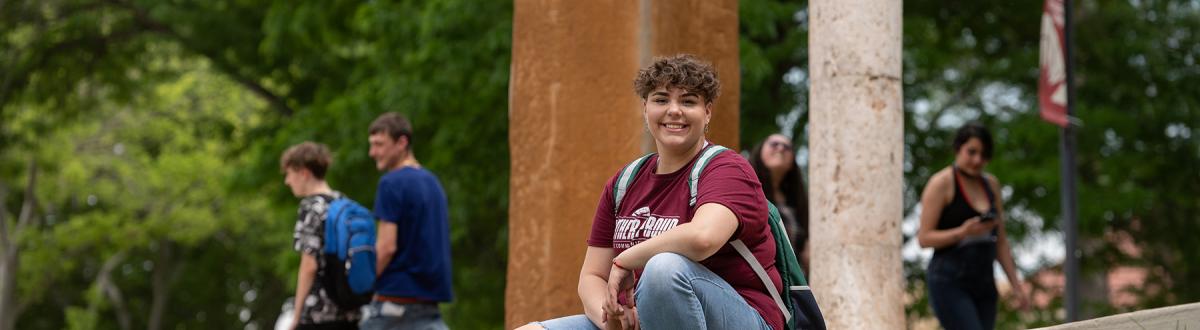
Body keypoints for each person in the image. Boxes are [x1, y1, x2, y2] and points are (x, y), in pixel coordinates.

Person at [520, 54, 783, 330]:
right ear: (645, 108)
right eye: (661, 100)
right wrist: (612, 316)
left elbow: (703, 237)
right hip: (647, 321)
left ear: (707, 112)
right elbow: (592, 275)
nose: (674, 110)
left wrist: (626, 261)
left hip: (743, 318)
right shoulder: (625, 182)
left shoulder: (727, 169)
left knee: (663, 270)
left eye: (688, 101)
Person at [917, 122, 1031, 330]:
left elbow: (1001, 242)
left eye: (984, 155)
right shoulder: (941, 183)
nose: (977, 160)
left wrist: (1016, 286)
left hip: (985, 281)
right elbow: (924, 238)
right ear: (958, 148)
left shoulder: (991, 185)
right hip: (950, 281)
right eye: (972, 152)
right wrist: (962, 232)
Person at [360, 112, 453, 330]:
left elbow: (386, 247)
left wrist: (362, 286)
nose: (372, 152)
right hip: (429, 308)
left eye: (379, 144)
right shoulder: (433, 183)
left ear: (402, 142)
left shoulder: (391, 183)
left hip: (394, 306)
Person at [282, 142, 361, 330]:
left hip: (319, 314)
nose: (287, 181)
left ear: (304, 173)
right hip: (350, 310)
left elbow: (309, 266)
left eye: (289, 174)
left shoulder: (311, 207)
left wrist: (297, 315)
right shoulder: (345, 204)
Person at [748, 134, 810, 274]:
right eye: (774, 144)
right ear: (760, 152)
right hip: (759, 277)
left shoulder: (797, 202)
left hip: (793, 284)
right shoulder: (747, 190)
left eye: (787, 147)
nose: (781, 148)